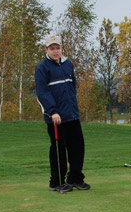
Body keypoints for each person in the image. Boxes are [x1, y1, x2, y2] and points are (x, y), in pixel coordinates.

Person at [35, 34, 90, 193]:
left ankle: (75, 178)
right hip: (56, 118)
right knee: (58, 151)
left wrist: (74, 108)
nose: (55, 51)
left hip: (72, 115)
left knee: (77, 147)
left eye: (57, 48)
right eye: (52, 48)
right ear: (46, 49)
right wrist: (52, 111)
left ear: (61, 48)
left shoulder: (68, 65)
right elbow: (42, 92)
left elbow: (72, 87)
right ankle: (56, 182)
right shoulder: (43, 68)